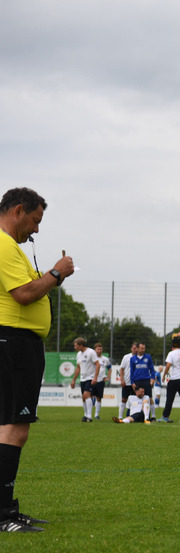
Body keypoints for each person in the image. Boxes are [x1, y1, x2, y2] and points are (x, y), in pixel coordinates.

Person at [0, 186, 75, 532]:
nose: (37, 229)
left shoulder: (10, 247)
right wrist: (56, 274)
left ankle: (7, 509)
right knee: (13, 428)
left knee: (12, 427)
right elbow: (25, 293)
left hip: (18, 343)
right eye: (35, 220)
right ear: (18, 210)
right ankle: (3, 514)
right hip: (13, 343)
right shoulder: (4, 245)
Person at [157, 332, 180, 423]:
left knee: (169, 399)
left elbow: (168, 366)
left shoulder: (171, 353)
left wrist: (164, 375)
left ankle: (165, 417)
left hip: (174, 380)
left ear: (172, 346)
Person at [70, 337, 100, 423]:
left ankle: (89, 417)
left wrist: (95, 377)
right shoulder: (79, 354)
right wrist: (73, 380)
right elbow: (78, 368)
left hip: (90, 378)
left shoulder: (91, 352)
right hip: (82, 378)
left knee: (86, 395)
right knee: (84, 397)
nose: (75, 347)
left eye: (76, 345)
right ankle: (86, 415)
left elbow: (98, 364)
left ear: (81, 345)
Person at [118, 342, 138, 420]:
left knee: (134, 400)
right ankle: (120, 417)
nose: (135, 350)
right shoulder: (126, 357)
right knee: (124, 399)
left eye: (136, 348)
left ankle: (132, 416)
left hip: (135, 383)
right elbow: (122, 369)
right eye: (134, 348)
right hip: (126, 382)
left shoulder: (139, 358)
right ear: (131, 349)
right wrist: (122, 380)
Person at [91, 343, 111, 420]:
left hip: (101, 380)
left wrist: (108, 377)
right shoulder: (92, 358)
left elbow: (110, 368)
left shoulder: (105, 359)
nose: (99, 350)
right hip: (92, 379)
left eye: (100, 349)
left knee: (99, 398)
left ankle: (96, 415)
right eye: (98, 349)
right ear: (95, 350)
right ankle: (88, 414)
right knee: (89, 397)